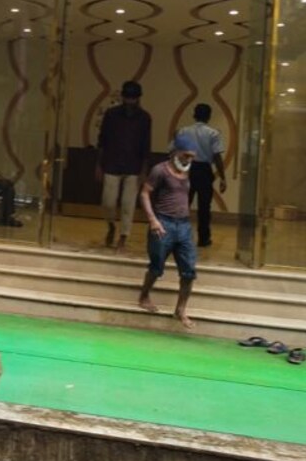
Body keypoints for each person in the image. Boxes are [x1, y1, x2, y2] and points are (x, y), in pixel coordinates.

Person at [138, 133, 199, 329]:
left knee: (189, 271)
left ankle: (180, 309)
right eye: (185, 155)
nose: (188, 159)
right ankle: (144, 295)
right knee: (156, 267)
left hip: (184, 225)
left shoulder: (188, 171)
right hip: (163, 223)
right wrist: (153, 220)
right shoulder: (160, 170)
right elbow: (145, 193)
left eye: (191, 157)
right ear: (175, 152)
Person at [96, 81, 152, 251]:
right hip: (111, 163)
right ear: (123, 97)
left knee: (128, 205)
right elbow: (102, 141)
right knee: (108, 202)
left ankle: (123, 236)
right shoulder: (111, 115)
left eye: (133, 98)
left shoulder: (144, 118)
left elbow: (146, 145)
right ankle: (111, 225)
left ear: (138, 98)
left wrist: (144, 171)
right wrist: (98, 165)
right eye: (127, 97)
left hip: (134, 166)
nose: (130, 101)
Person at [178, 103, 227, 247]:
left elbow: (177, 153)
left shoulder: (184, 131)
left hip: (187, 169)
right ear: (209, 116)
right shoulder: (213, 133)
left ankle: (179, 236)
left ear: (194, 115)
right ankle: (203, 238)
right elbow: (217, 157)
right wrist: (223, 177)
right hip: (204, 170)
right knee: (204, 207)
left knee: (182, 205)